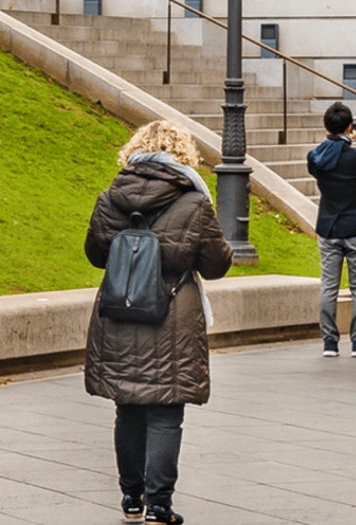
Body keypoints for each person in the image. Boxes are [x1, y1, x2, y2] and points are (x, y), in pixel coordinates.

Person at [84, 120, 234, 525]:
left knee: (127, 407)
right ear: (182, 155)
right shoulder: (193, 203)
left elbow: (96, 254)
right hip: (171, 315)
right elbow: (217, 264)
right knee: (166, 412)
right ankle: (159, 506)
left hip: (118, 311)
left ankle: (131, 498)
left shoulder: (109, 197)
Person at [306, 101, 356, 357]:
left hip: (329, 227)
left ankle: (330, 342)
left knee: (329, 286)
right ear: (351, 126)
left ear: (326, 126)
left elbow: (324, 158)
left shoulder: (315, 157)